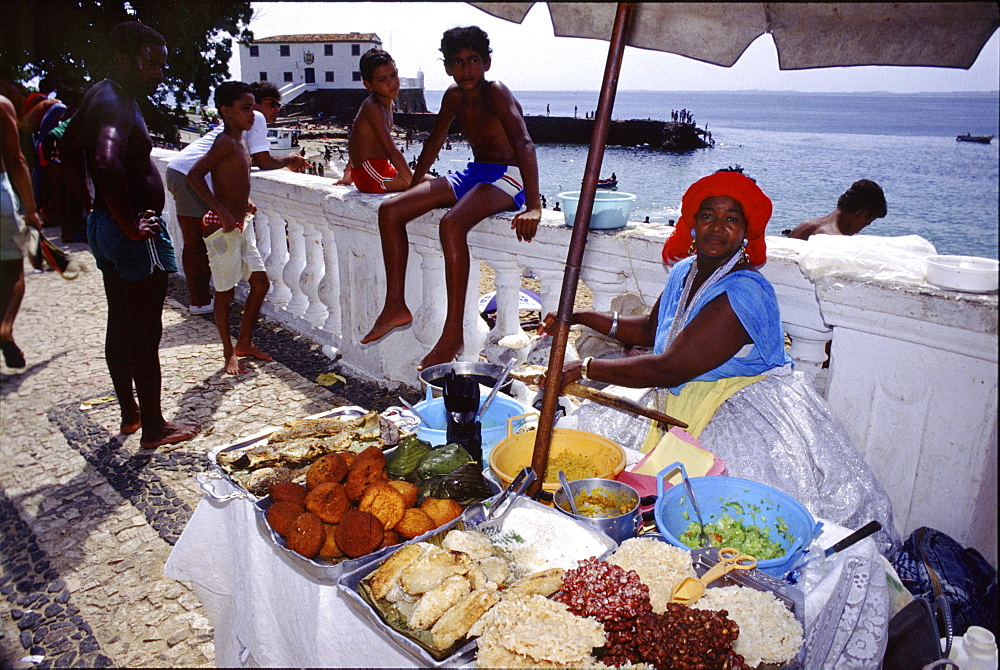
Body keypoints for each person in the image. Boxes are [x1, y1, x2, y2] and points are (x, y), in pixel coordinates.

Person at [539, 169, 899, 556]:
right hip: (678, 390)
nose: (717, 227)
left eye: (731, 219)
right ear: (692, 223)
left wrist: (585, 369)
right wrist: (577, 318)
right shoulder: (686, 270)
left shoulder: (743, 292)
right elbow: (651, 328)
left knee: (719, 521)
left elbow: (668, 368)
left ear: (747, 231)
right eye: (708, 215)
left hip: (738, 404)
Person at [361, 26, 542, 371]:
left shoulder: (497, 93)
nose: (466, 69)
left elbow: (524, 143)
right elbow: (433, 142)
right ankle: (396, 304)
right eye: (457, 63)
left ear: (486, 62)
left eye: (473, 60)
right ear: (447, 68)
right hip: (476, 172)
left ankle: (453, 333)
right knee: (390, 210)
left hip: (509, 174)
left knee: (451, 224)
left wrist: (534, 204)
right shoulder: (454, 96)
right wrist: (414, 186)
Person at [61, 21, 198, 449]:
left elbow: (66, 145)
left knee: (119, 322)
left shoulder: (98, 94)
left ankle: (130, 413)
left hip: (104, 226)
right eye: (150, 64)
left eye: (162, 65)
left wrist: (91, 204)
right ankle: (155, 427)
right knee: (144, 330)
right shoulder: (117, 103)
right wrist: (128, 223)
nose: (158, 74)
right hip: (131, 233)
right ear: (122, 58)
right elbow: (105, 160)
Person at [166, 81, 308, 315]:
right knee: (197, 243)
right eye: (271, 104)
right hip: (189, 176)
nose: (275, 110)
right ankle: (201, 302)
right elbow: (262, 160)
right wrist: (290, 161)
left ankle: (201, 300)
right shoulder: (256, 119)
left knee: (195, 242)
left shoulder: (238, 128)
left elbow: (240, 166)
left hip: (178, 169)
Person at [185, 82, 272, 376]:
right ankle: (227, 353)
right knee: (225, 292)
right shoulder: (224, 141)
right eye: (246, 108)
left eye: (253, 107)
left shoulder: (241, 141)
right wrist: (221, 209)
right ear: (226, 111)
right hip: (221, 228)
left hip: (240, 224)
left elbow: (230, 178)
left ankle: (244, 342)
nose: (253, 114)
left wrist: (243, 201)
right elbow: (194, 176)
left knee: (260, 283)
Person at [1, 94, 44, 369]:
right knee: (14, 270)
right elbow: (16, 160)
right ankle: (5, 328)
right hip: (0, 197)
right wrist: (31, 211)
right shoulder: (2, 105)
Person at [334, 49, 415, 194]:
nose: (391, 82)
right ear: (368, 85)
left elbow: (359, 139)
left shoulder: (389, 104)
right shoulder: (372, 106)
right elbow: (391, 150)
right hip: (369, 174)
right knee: (431, 186)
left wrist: (348, 174)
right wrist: (412, 183)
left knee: (433, 183)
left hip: (376, 170)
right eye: (382, 79)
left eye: (393, 75)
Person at [788, 179, 887, 240]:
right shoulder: (837, 240)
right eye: (867, 223)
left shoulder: (803, 226)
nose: (860, 230)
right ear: (862, 214)